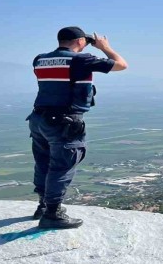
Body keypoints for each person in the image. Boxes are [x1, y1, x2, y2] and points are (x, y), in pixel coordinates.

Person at [27, 26, 128, 229]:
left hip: (38, 119)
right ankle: (53, 214)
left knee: (43, 163)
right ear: (81, 41)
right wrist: (105, 47)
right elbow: (121, 65)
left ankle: (43, 206)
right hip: (64, 122)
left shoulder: (40, 59)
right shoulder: (81, 60)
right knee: (62, 165)